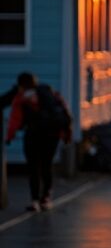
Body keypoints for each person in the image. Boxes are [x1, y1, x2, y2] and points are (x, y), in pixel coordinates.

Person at [5, 73, 72, 211]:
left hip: (33, 135)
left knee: (33, 167)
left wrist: (9, 137)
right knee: (47, 165)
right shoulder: (51, 94)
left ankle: (35, 199)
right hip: (52, 135)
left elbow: (15, 119)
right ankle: (46, 198)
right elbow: (65, 113)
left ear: (21, 85)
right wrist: (67, 135)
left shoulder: (22, 98)